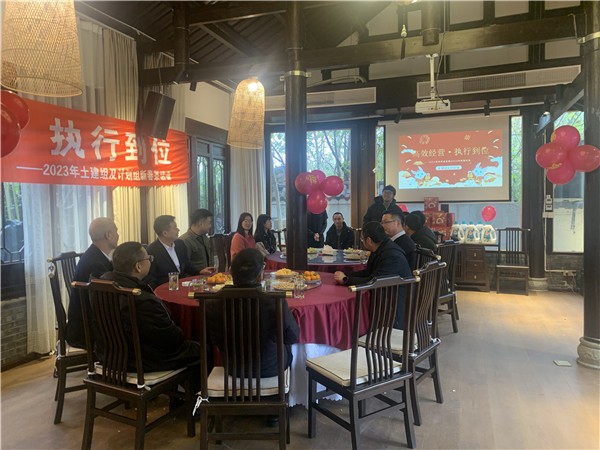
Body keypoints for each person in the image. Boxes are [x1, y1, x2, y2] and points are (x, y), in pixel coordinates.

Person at [101, 241, 202, 373]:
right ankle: (195, 387)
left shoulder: (101, 287)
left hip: (109, 356)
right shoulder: (141, 299)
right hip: (142, 360)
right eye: (149, 258)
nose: (151, 260)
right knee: (203, 349)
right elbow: (171, 339)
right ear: (138, 266)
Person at [206, 248, 299, 378]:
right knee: (288, 348)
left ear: (230, 272)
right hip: (271, 369)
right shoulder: (275, 300)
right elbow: (292, 336)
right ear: (260, 275)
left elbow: (214, 340)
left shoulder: (213, 302)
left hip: (232, 369)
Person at [334, 221, 411, 329]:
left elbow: (374, 281)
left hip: (393, 307)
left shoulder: (392, 255)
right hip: (383, 295)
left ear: (369, 240)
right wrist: (346, 275)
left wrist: (346, 280)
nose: (362, 242)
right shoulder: (380, 248)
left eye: (362, 239)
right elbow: (368, 272)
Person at [66, 217, 119, 349]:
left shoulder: (95, 255)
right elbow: (107, 303)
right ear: (108, 235)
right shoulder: (95, 264)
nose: (118, 235)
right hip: (87, 331)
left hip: (84, 322)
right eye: (116, 231)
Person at [146, 215, 192, 288]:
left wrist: (200, 271)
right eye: (175, 227)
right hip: (165, 289)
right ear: (165, 233)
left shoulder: (180, 244)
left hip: (183, 285)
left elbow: (187, 266)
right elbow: (152, 278)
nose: (178, 230)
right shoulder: (152, 250)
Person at [179, 209, 216, 275]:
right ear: (200, 223)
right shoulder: (184, 241)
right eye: (209, 222)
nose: (210, 226)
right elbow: (184, 266)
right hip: (194, 278)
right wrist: (199, 272)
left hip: (208, 277)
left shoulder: (205, 237)